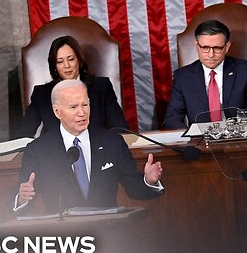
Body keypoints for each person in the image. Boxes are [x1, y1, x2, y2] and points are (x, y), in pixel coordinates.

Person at [14, 79, 163, 214]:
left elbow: (134, 189)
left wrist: (149, 181)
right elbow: (24, 197)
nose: (82, 113)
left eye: (85, 105)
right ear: (57, 111)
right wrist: (22, 198)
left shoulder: (112, 142)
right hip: (65, 236)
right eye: (73, 107)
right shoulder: (38, 150)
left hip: (109, 232)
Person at [163, 20, 247, 130]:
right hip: (200, 142)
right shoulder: (182, 77)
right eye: (205, 48)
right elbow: (171, 120)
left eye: (217, 48)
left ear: (227, 47)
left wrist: (239, 132)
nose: (211, 55)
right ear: (197, 46)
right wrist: (193, 135)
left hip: (239, 140)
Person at [16, 35, 128, 138]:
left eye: (70, 59)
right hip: (55, 154)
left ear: (79, 60)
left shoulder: (101, 87)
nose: (67, 66)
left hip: (98, 150)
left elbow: (119, 127)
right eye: (60, 61)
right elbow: (24, 134)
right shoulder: (41, 94)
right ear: (54, 66)